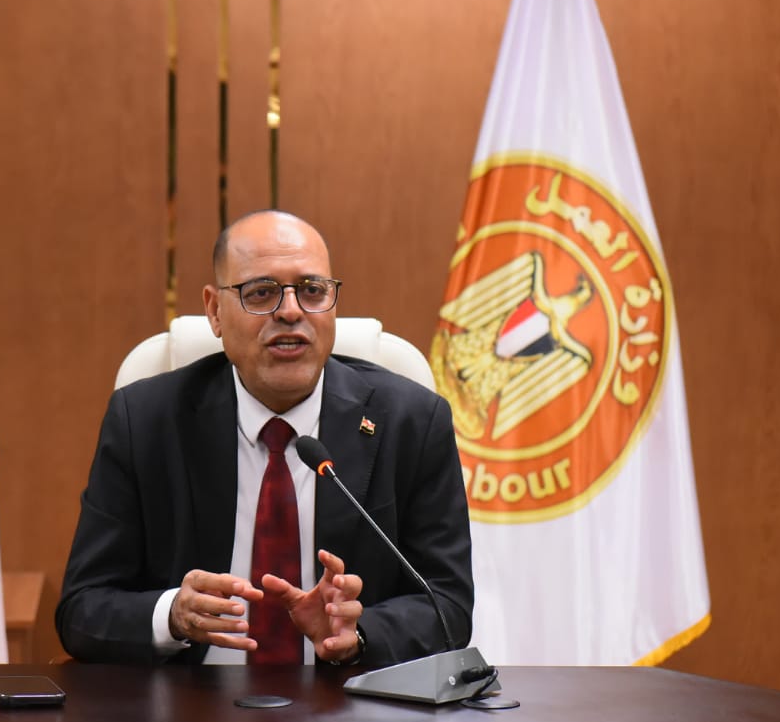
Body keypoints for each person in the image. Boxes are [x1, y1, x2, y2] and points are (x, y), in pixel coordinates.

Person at [56, 210, 474, 666]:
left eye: (312, 291)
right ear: (215, 311)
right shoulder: (145, 421)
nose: (291, 311)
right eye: (261, 292)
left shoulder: (411, 422)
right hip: (189, 698)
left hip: (348, 698)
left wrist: (360, 634)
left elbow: (448, 605)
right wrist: (173, 615)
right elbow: (82, 609)